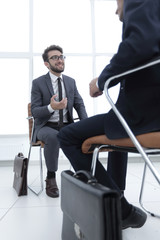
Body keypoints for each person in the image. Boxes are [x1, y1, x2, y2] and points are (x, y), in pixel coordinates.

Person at [58, 0, 160, 229]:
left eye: (116, 2)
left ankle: (119, 208)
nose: (116, 10)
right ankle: (118, 193)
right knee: (113, 120)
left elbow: (140, 44)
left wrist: (102, 80)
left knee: (67, 136)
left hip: (144, 116)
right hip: (145, 111)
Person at [31, 45, 88, 198]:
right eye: (54, 57)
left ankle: (84, 175)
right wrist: (51, 107)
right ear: (46, 63)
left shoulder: (70, 81)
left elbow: (79, 104)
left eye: (61, 56)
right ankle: (51, 177)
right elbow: (34, 111)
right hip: (46, 126)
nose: (59, 60)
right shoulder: (38, 83)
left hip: (67, 125)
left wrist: (86, 125)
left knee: (84, 136)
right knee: (53, 137)